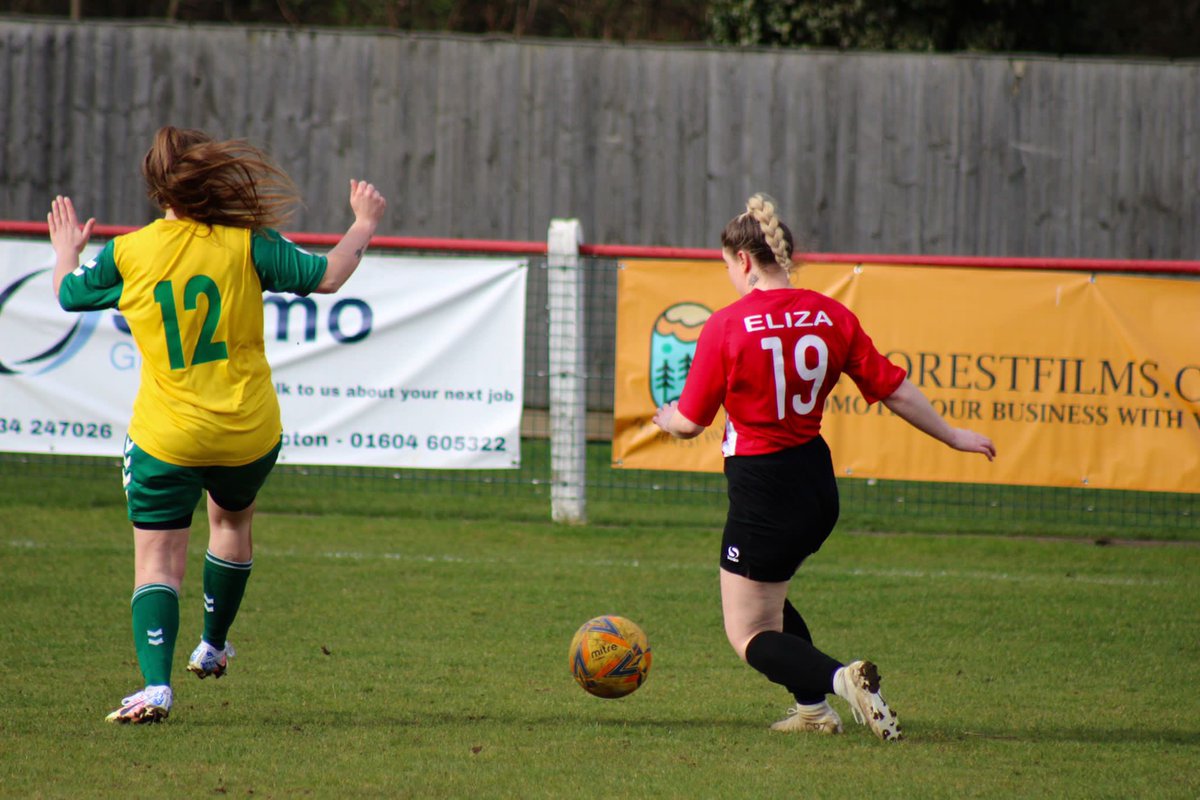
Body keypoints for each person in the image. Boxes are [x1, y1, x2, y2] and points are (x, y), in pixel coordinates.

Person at [47, 125, 387, 724]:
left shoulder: (130, 252)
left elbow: (69, 297)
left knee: (157, 564)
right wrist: (362, 222)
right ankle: (213, 643)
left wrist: (67, 251)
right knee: (231, 522)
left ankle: (155, 687)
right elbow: (330, 275)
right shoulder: (246, 242)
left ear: (158, 189)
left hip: (167, 434)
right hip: (246, 431)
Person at [653, 194, 995, 741]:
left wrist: (666, 418)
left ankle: (843, 681)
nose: (728, 278)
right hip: (815, 485)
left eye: (726, 266)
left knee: (748, 633)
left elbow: (691, 422)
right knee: (772, 603)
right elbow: (895, 389)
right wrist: (952, 435)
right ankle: (814, 711)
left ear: (744, 261)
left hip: (765, 489)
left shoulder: (727, 326)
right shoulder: (832, 313)